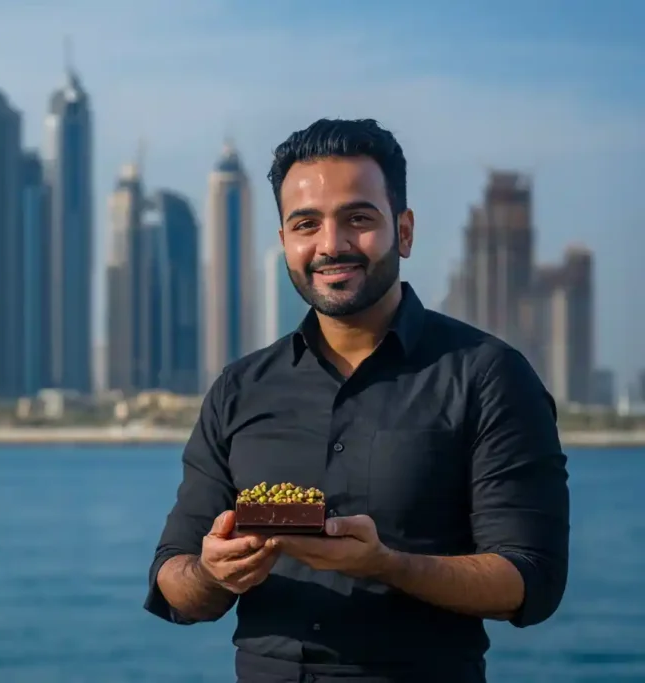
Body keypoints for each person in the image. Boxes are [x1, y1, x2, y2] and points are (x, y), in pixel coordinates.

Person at [143, 118, 570, 683]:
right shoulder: (238, 388)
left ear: (405, 231)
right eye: (306, 224)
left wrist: (385, 565)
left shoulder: (489, 376)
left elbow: (531, 579)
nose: (331, 245)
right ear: (285, 244)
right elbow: (174, 577)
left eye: (358, 219)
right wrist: (214, 572)